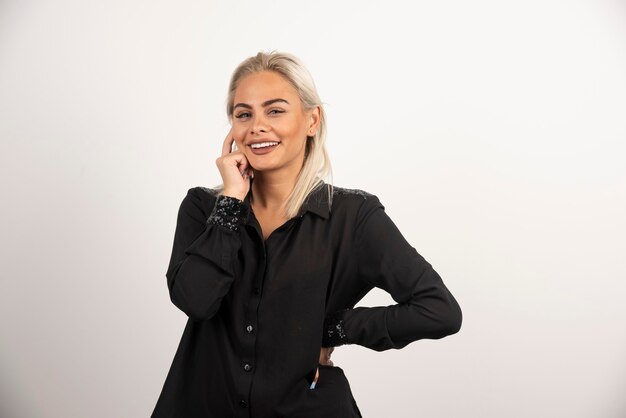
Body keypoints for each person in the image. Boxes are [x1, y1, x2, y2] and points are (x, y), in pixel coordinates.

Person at [151, 50, 462, 418]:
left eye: (275, 110)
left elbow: (438, 310)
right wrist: (232, 200)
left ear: (312, 120)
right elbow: (195, 301)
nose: (257, 126)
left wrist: (331, 328)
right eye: (243, 114)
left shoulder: (353, 217)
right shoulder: (204, 209)